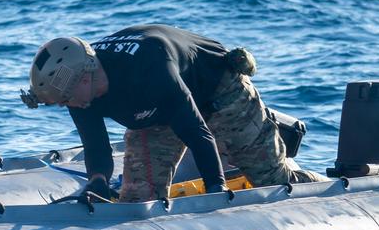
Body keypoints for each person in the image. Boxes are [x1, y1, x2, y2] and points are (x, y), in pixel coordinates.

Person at [24, 24, 319, 202]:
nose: (66, 106)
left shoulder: (149, 69)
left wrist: (215, 190)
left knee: (272, 181)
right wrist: (97, 182)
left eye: (65, 100)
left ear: (85, 78)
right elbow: (96, 144)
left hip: (218, 89)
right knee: (136, 199)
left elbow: (197, 134)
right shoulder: (77, 93)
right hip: (154, 110)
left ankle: (330, 187)